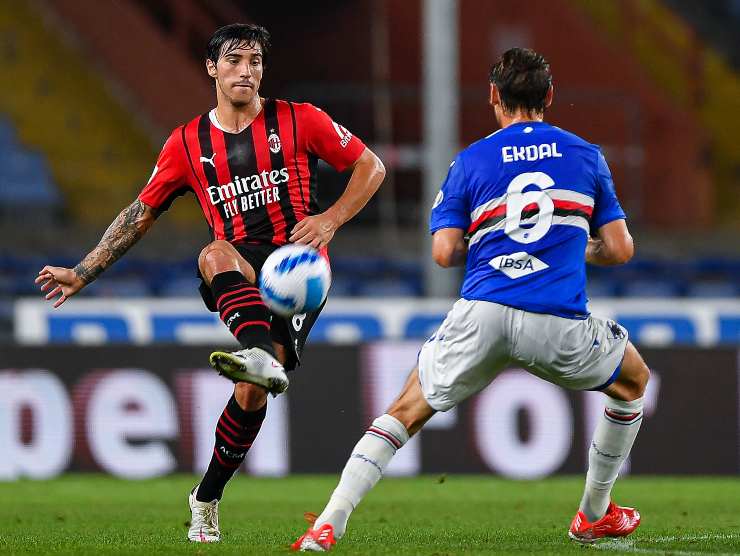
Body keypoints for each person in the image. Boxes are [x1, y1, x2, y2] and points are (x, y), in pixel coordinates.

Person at [34, 23, 385, 543]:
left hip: (300, 269)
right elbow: (140, 212)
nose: (247, 70)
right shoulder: (186, 143)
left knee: (251, 395)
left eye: (256, 62)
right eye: (236, 60)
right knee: (212, 252)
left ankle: (206, 494)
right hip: (240, 260)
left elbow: (369, 167)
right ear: (212, 68)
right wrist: (84, 271)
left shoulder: (301, 119)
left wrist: (330, 219)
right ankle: (258, 352)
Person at [291, 47, 650, 552]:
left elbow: (443, 253)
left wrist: (492, 244)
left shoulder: (471, 160)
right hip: (557, 319)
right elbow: (619, 249)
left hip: (482, 312)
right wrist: (567, 246)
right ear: (549, 95)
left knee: (405, 409)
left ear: (492, 97)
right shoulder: (585, 154)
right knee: (633, 381)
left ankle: (327, 524)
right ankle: (593, 513)